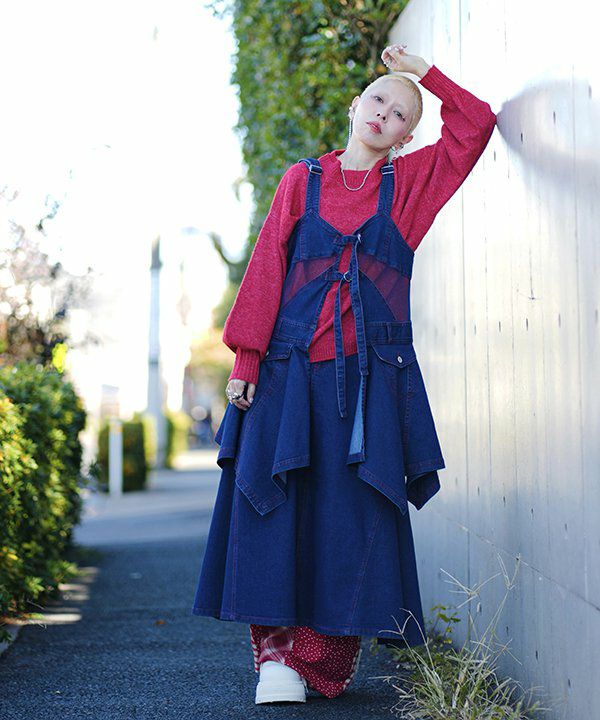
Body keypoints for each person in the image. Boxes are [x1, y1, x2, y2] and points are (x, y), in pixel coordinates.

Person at [191, 43, 497, 704]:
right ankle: (276, 657)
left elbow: (475, 125)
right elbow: (267, 265)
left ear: (406, 135)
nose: (385, 114)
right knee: (274, 507)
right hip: (287, 378)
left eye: (401, 113)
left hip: (367, 389)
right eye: (378, 100)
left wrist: (423, 73)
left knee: (349, 523)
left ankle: (317, 661)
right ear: (356, 106)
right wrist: (247, 358)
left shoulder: (410, 185)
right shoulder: (301, 180)